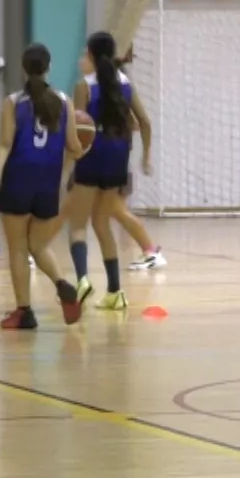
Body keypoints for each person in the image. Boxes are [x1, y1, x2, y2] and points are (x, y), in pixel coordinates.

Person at [0, 44, 91, 329]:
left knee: (18, 248)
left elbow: (5, 143)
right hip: (48, 183)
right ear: (49, 68)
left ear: (23, 68)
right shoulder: (64, 101)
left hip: (18, 179)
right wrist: (82, 151)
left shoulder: (13, 102)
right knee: (39, 245)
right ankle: (63, 285)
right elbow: (74, 146)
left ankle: (24, 312)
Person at [65, 31, 153, 311]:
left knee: (78, 225)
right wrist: (146, 157)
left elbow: (76, 129)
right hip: (119, 154)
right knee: (102, 223)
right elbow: (145, 122)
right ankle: (115, 292)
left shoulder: (84, 86)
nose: (82, 58)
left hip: (93, 152)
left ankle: (82, 281)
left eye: (84, 53)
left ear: (92, 55)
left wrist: (70, 161)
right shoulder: (125, 83)